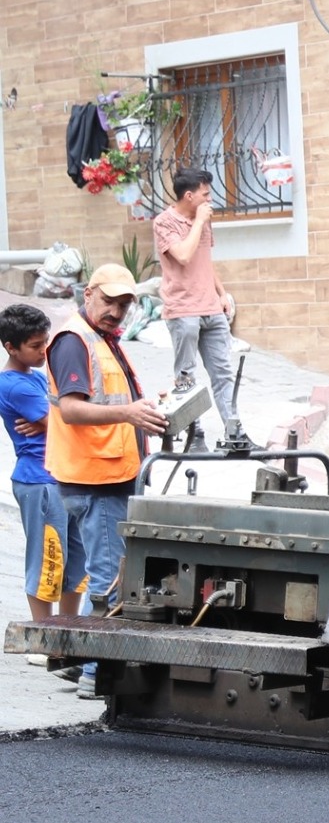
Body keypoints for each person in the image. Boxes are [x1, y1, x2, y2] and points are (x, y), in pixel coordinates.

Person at [46, 264, 169, 634]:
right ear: (88, 295)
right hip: (95, 481)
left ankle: (80, 659)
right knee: (109, 580)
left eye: (124, 305)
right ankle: (92, 671)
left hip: (111, 473)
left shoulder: (103, 337)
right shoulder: (74, 340)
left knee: (107, 573)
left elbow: (110, 397)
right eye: (108, 301)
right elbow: (71, 409)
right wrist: (129, 412)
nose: (115, 311)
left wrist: (142, 407)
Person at [0, 304, 85, 621]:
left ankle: (68, 627)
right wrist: (55, 419)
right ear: (11, 347)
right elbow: (73, 418)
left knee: (77, 559)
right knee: (48, 559)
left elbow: (65, 410)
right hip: (39, 481)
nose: (43, 351)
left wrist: (54, 419)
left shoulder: (35, 378)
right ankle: (43, 634)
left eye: (45, 342)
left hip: (63, 476)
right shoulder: (14, 384)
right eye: (35, 346)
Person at [153, 166, 245, 445]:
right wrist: (197, 223)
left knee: (223, 373)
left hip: (211, 308)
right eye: (206, 194)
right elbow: (182, 255)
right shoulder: (163, 223)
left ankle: (235, 434)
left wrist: (221, 293)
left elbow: (204, 260)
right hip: (183, 310)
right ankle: (195, 436)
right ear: (189, 195)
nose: (210, 199)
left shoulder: (203, 218)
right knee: (186, 377)